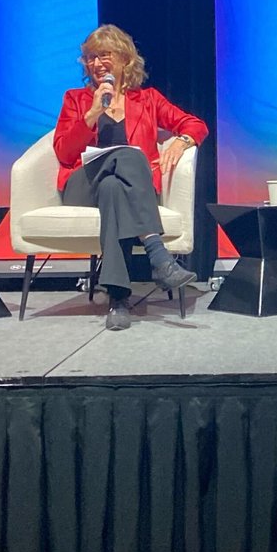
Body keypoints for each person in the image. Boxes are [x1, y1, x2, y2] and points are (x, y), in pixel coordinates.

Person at [53, 25, 208, 330]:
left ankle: (118, 300)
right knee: (130, 155)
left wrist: (181, 140)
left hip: (123, 191)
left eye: (104, 56)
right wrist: (92, 114)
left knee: (114, 188)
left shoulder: (147, 100)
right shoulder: (77, 99)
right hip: (83, 185)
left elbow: (195, 124)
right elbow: (63, 153)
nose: (96, 64)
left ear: (124, 59)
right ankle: (157, 253)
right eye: (90, 58)